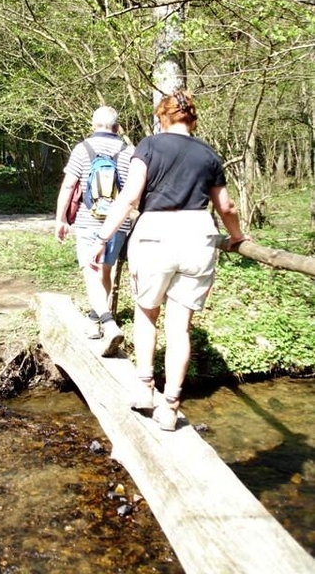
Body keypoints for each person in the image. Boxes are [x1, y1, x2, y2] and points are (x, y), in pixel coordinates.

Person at [90, 90, 250, 431]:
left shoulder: (149, 145)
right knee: (180, 328)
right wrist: (236, 237)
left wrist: (103, 236)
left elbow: (131, 196)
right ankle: (170, 406)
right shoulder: (208, 154)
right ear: (192, 118)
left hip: (155, 234)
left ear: (162, 117)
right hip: (198, 235)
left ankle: (146, 387)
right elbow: (227, 207)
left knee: (147, 313)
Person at [55, 106, 135, 357]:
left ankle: (108, 323)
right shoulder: (128, 151)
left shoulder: (82, 149)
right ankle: (94, 319)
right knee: (105, 271)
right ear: (116, 126)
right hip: (118, 223)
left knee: (91, 273)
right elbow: (133, 193)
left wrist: (60, 219)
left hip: (89, 221)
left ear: (93, 125)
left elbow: (69, 186)